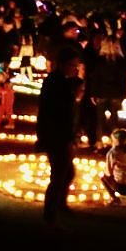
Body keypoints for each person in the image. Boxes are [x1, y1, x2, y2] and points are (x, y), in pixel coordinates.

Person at [36, 47, 82, 226]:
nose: (75, 69)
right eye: (72, 65)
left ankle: (60, 205)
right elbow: (58, 112)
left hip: (59, 134)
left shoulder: (60, 81)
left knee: (67, 173)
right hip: (57, 135)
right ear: (63, 64)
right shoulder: (57, 83)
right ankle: (51, 214)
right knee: (59, 175)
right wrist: (68, 137)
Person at [100, 128, 126, 205]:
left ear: (115, 140)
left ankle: (114, 199)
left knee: (103, 177)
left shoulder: (112, 152)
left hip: (122, 187)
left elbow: (108, 172)